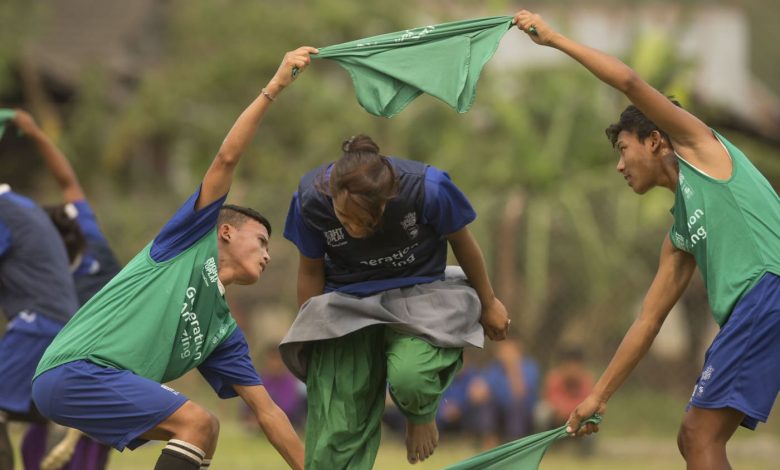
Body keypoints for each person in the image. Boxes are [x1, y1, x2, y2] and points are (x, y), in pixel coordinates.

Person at [513, 9, 780, 470]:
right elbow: (647, 323)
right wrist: (597, 395)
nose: (619, 165)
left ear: (656, 140)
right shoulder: (679, 236)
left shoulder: (700, 149)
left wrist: (556, 39)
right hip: (755, 309)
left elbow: (632, 83)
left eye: (623, 149)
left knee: (698, 435)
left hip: (766, 294)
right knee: (693, 437)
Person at [31, 47, 318, 470]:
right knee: (197, 422)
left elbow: (268, 412)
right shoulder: (190, 240)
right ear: (224, 231)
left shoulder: (222, 331)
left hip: (90, 383)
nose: (268, 254)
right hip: (75, 371)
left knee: (208, 431)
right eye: (261, 240)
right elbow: (227, 158)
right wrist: (273, 88)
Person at [280, 134, 510, 468]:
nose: (354, 229)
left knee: (411, 379)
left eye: (364, 221)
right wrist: (312, 329)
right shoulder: (310, 200)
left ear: (388, 201)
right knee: (337, 425)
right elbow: (310, 271)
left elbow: (463, 242)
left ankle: (420, 414)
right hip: (347, 301)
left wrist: (489, 302)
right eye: (345, 219)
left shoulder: (427, 188)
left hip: (422, 294)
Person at [9, 109, 122, 470]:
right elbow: (67, 181)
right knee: (36, 442)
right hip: (56, 355)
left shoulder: (91, 257)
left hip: (103, 355)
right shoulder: (74, 238)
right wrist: (36, 133)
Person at [0, 175, 80, 470]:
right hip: (58, 326)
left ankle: (66, 423)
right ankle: (64, 423)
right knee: (41, 407)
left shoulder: (3, 211)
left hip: (36, 324)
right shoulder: (21, 205)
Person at [466, 338, 540, 449]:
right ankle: (488, 442)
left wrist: (512, 368)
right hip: (498, 412)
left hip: (521, 412)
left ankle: (514, 445)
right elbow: (479, 392)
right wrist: (478, 390)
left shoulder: (529, 367)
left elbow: (520, 393)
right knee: (486, 405)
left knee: (516, 407)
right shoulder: (494, 368)